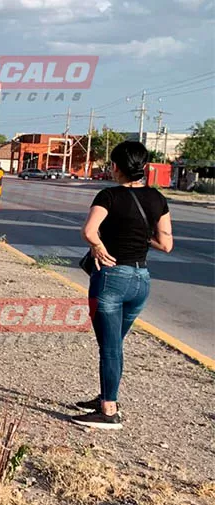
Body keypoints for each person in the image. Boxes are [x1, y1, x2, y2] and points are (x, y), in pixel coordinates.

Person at [72, 141, 172, 430]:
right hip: (141, 281)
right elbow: (166, 244)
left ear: (115, 167)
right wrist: (142, 239)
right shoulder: (158, 199)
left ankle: (109, 411)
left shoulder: (109, 196)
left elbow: (89, 232)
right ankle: (106, 395)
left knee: (110, 348)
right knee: (113, 344)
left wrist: (99, 246)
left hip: (111, 279)